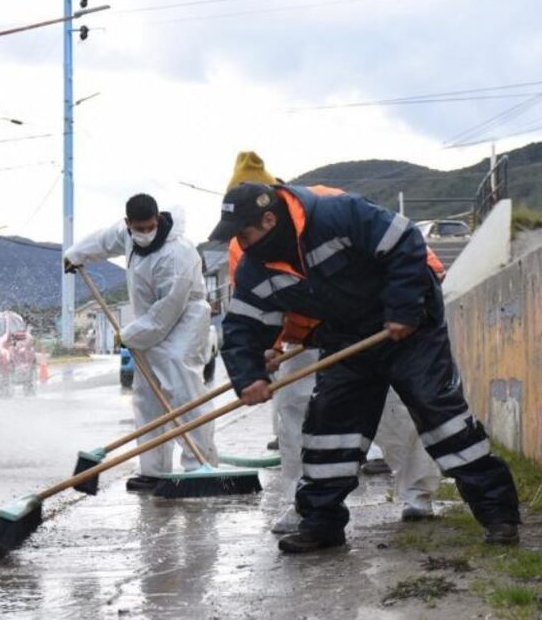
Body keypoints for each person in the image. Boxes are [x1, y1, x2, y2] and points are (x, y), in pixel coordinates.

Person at [210, 179, 521, 553]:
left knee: (439, 415)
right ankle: (321, 524)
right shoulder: (254, 268)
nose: (240, 244)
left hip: (410, 329)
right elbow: (244, 325)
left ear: (268, 221)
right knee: (329, 429)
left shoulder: (334, 214)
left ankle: (498, 514)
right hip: (348, 337)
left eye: (243, 233)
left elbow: (406, 241)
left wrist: (403, 310)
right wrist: (249, 377)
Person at [222, 151, 444, 535]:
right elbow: (256, 307)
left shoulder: (322, 204)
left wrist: (404, 306)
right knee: (294, 412)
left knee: (397, 408)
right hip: (311, 329)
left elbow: (384, 254)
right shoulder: (239, 243)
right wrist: (270, 349)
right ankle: (302, 502)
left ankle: (417, 494)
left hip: (378, 316)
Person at [65, 193, 218, 491]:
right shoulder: (127, 234)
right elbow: (103, 240)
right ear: (129, 224)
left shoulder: (178, 255)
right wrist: (76, 254)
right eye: (139, 228)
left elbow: (168, 312)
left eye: (150, 227)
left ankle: (199, 465)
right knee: (147, 392)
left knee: (182, 385)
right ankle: (154, 470)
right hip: (149, 319)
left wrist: (129, 335)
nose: (145, 233)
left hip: (184, 318)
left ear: (158, 220)